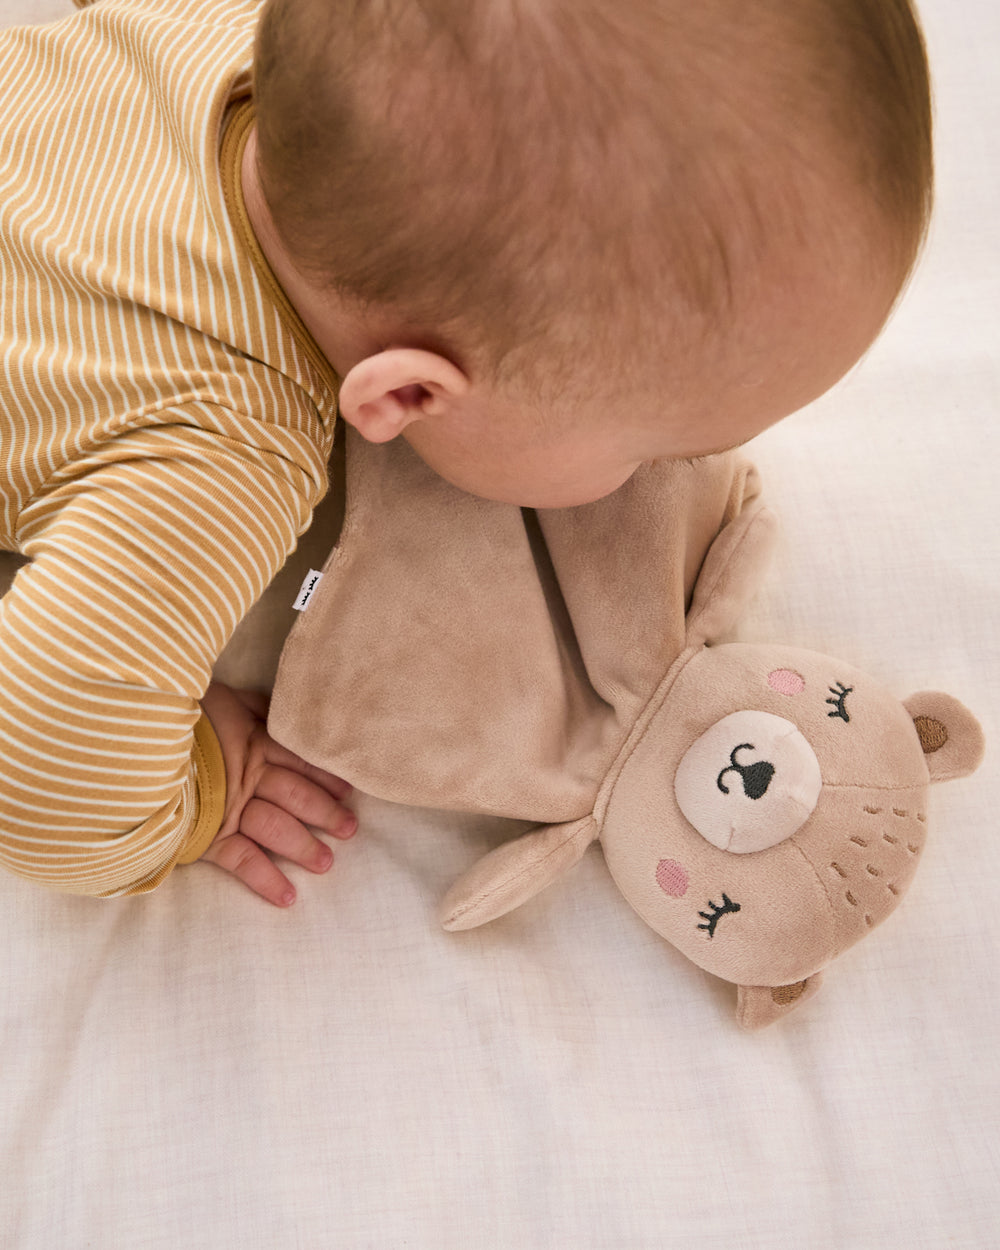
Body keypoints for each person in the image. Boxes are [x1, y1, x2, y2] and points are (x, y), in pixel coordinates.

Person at [0, 0, 932, 906]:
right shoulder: (222, 458)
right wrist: (205, 788)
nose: (664, 477)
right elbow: (42, 782)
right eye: (662, 448)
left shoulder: (230, 24)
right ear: (408, 395)